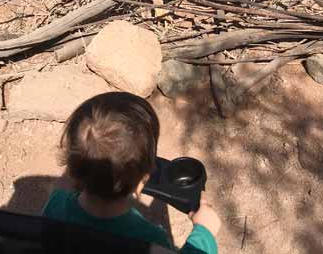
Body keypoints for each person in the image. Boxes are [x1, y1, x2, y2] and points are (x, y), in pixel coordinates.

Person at [42, 92, 220, 252]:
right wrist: (204, 234)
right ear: (143, 181)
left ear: (73, 169)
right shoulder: (148, 240)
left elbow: (62, 187)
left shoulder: (56, 205)